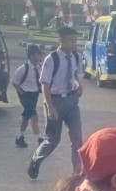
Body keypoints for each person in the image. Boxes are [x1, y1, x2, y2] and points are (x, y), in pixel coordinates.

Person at [29, 27, 84, 180]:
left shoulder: (75, 56)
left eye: (75, 40)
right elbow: (44, 85)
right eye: (71, 40)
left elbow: (74, 74)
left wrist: (79, 84)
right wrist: (50, 107)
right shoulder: (51, 59)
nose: (74, 43)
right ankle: (35, 159)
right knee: (53, 140)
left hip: (72, 100)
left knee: (77, 139)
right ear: (61, 40)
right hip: (55, 101)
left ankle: (76, 174)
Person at [11, 44, 45, 148]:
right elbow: (14, 82)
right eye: (37, 54)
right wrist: (21, 92)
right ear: (31, 56)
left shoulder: (39, 68)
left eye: (40, 54)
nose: (40, 56)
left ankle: (20, 138)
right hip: (25, 94)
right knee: (34, 116)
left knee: (26, 117)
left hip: (34, 94)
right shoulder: (23, 68)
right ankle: (40, 139)